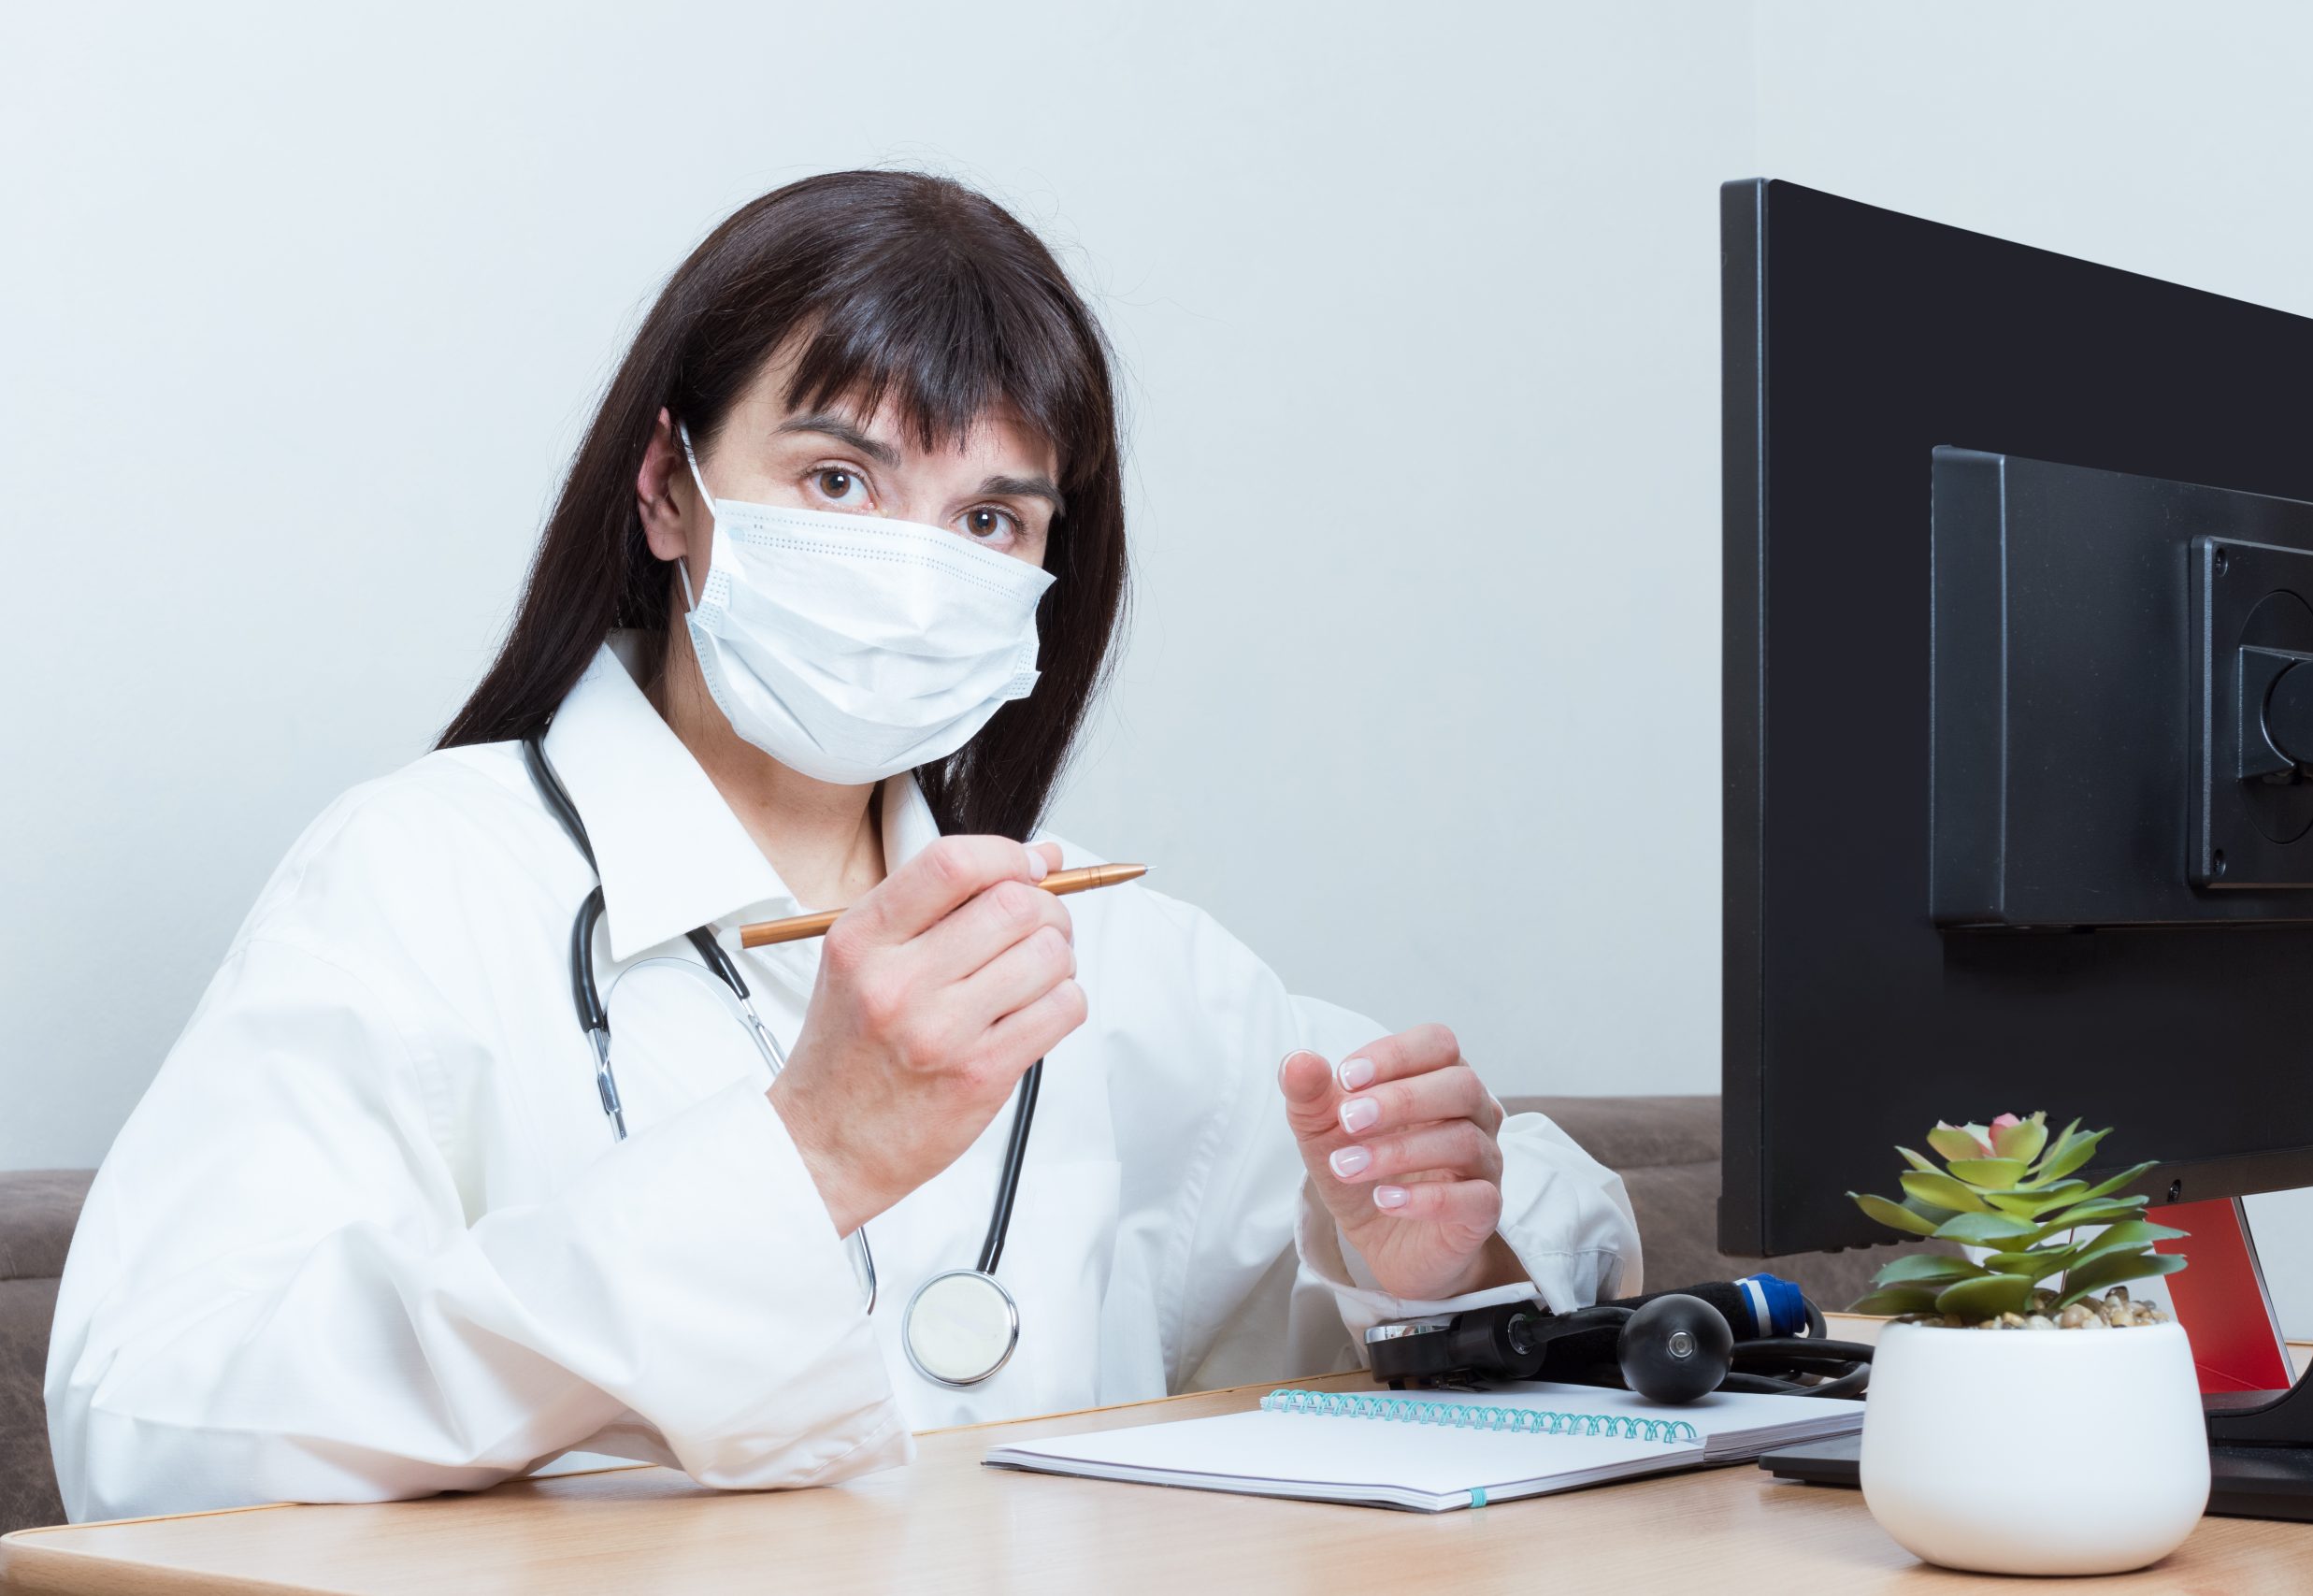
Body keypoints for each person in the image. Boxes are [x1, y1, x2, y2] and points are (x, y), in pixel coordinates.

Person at [46, 170, 1639, 1522]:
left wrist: (1431, 1266)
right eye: (836, 479)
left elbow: (1545, 1234)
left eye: (989, 522)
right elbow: (149, 1418)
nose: (911, 572)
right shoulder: (426, 877)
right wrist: (803, 1160)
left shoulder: (1107, 947)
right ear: (668, 489)